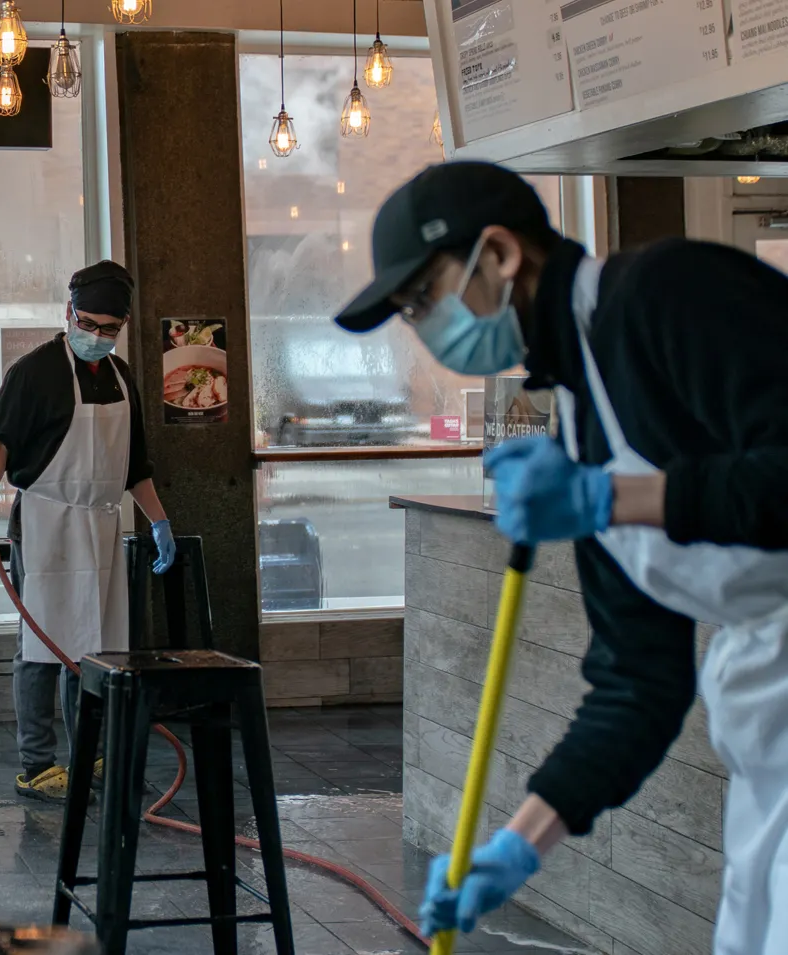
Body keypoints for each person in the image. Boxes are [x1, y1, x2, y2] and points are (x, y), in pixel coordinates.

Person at [333, 160, 788, 953]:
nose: (423, 327)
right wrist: (517, 844)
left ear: (502, 254)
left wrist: (608, 500)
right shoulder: (579, 419)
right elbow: (637, 682)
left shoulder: (668, 293)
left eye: (423, 299)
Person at [0, 260, 177, 802]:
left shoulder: (121, 376)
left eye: (110, 329)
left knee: (99, 644)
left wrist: (159, 521)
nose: (97, 336)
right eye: (88, 323)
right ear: (68, 313)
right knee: (42, 643)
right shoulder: (33, 371)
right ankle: (37, 764)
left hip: (103, 523)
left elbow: (134, 465)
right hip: (46, 520)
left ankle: (93, 751)